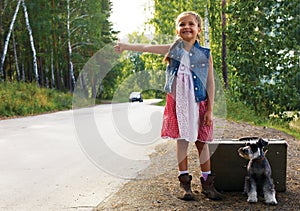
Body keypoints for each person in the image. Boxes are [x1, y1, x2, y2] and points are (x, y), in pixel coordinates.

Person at [114, 11, 223, 201]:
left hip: (199, 103)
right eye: (182, 24)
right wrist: (125, 46)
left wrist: (210, 110)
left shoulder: (205, 54)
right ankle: (185, 185)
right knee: (181, 141)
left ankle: (207, 184)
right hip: (178, 103)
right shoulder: (172, 49)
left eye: (191, 24)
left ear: (198, 29)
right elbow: (146, 47)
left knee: (202, 143)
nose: (187, 27)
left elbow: (210, 83)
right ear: (177, 29)